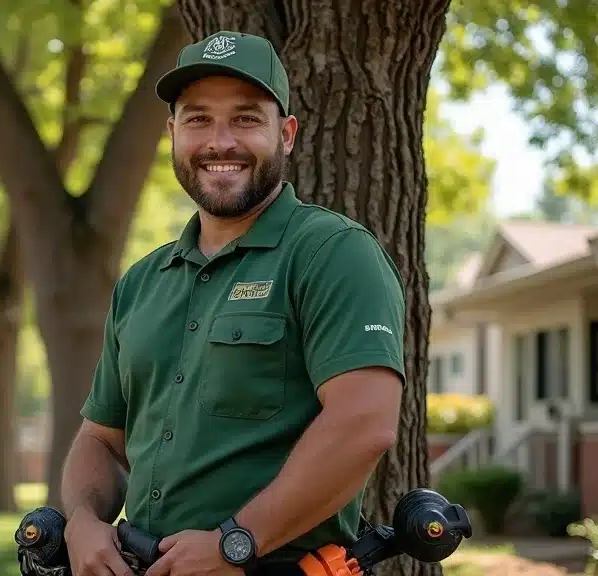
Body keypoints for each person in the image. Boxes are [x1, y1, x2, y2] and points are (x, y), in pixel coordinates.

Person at [59, 30, 406, 576]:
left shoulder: (332, 253)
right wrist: (81, 522)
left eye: (245, 119)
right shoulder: (141, 283)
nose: (220, 142)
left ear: (286, 134)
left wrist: (237, 541)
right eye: (198, 119)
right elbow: (101, 440)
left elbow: (364, 423)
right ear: (173, 134)